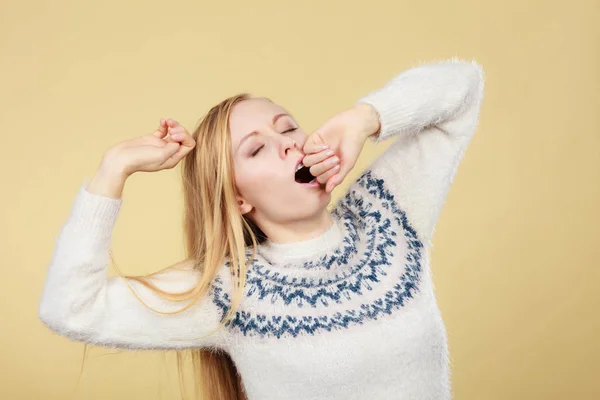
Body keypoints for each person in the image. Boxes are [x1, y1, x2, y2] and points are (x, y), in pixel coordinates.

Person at [38, 58, 484, 400]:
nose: (289, 142)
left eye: (288, 126)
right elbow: (70, 309)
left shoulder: (387, 214)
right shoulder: (226, 292)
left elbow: (463, 85)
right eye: (257, 149)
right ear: (238, 199)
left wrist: (364, 119)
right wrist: (113, 170)